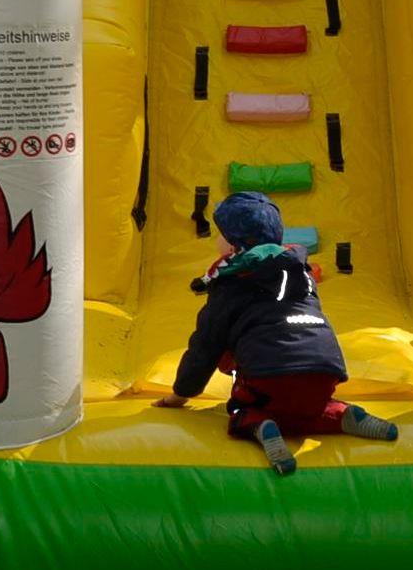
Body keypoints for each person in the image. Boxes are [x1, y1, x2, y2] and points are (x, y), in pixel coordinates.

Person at [153, 191, 399, 474]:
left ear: (233, 245)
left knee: (243, 408)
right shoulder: (301, 272)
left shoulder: (231, 282)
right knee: (306, 404)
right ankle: (341, 414)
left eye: (220, 234)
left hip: (269, 374)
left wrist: (180, 394)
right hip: (325, 371)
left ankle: (258, 424)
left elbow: (205, 346)